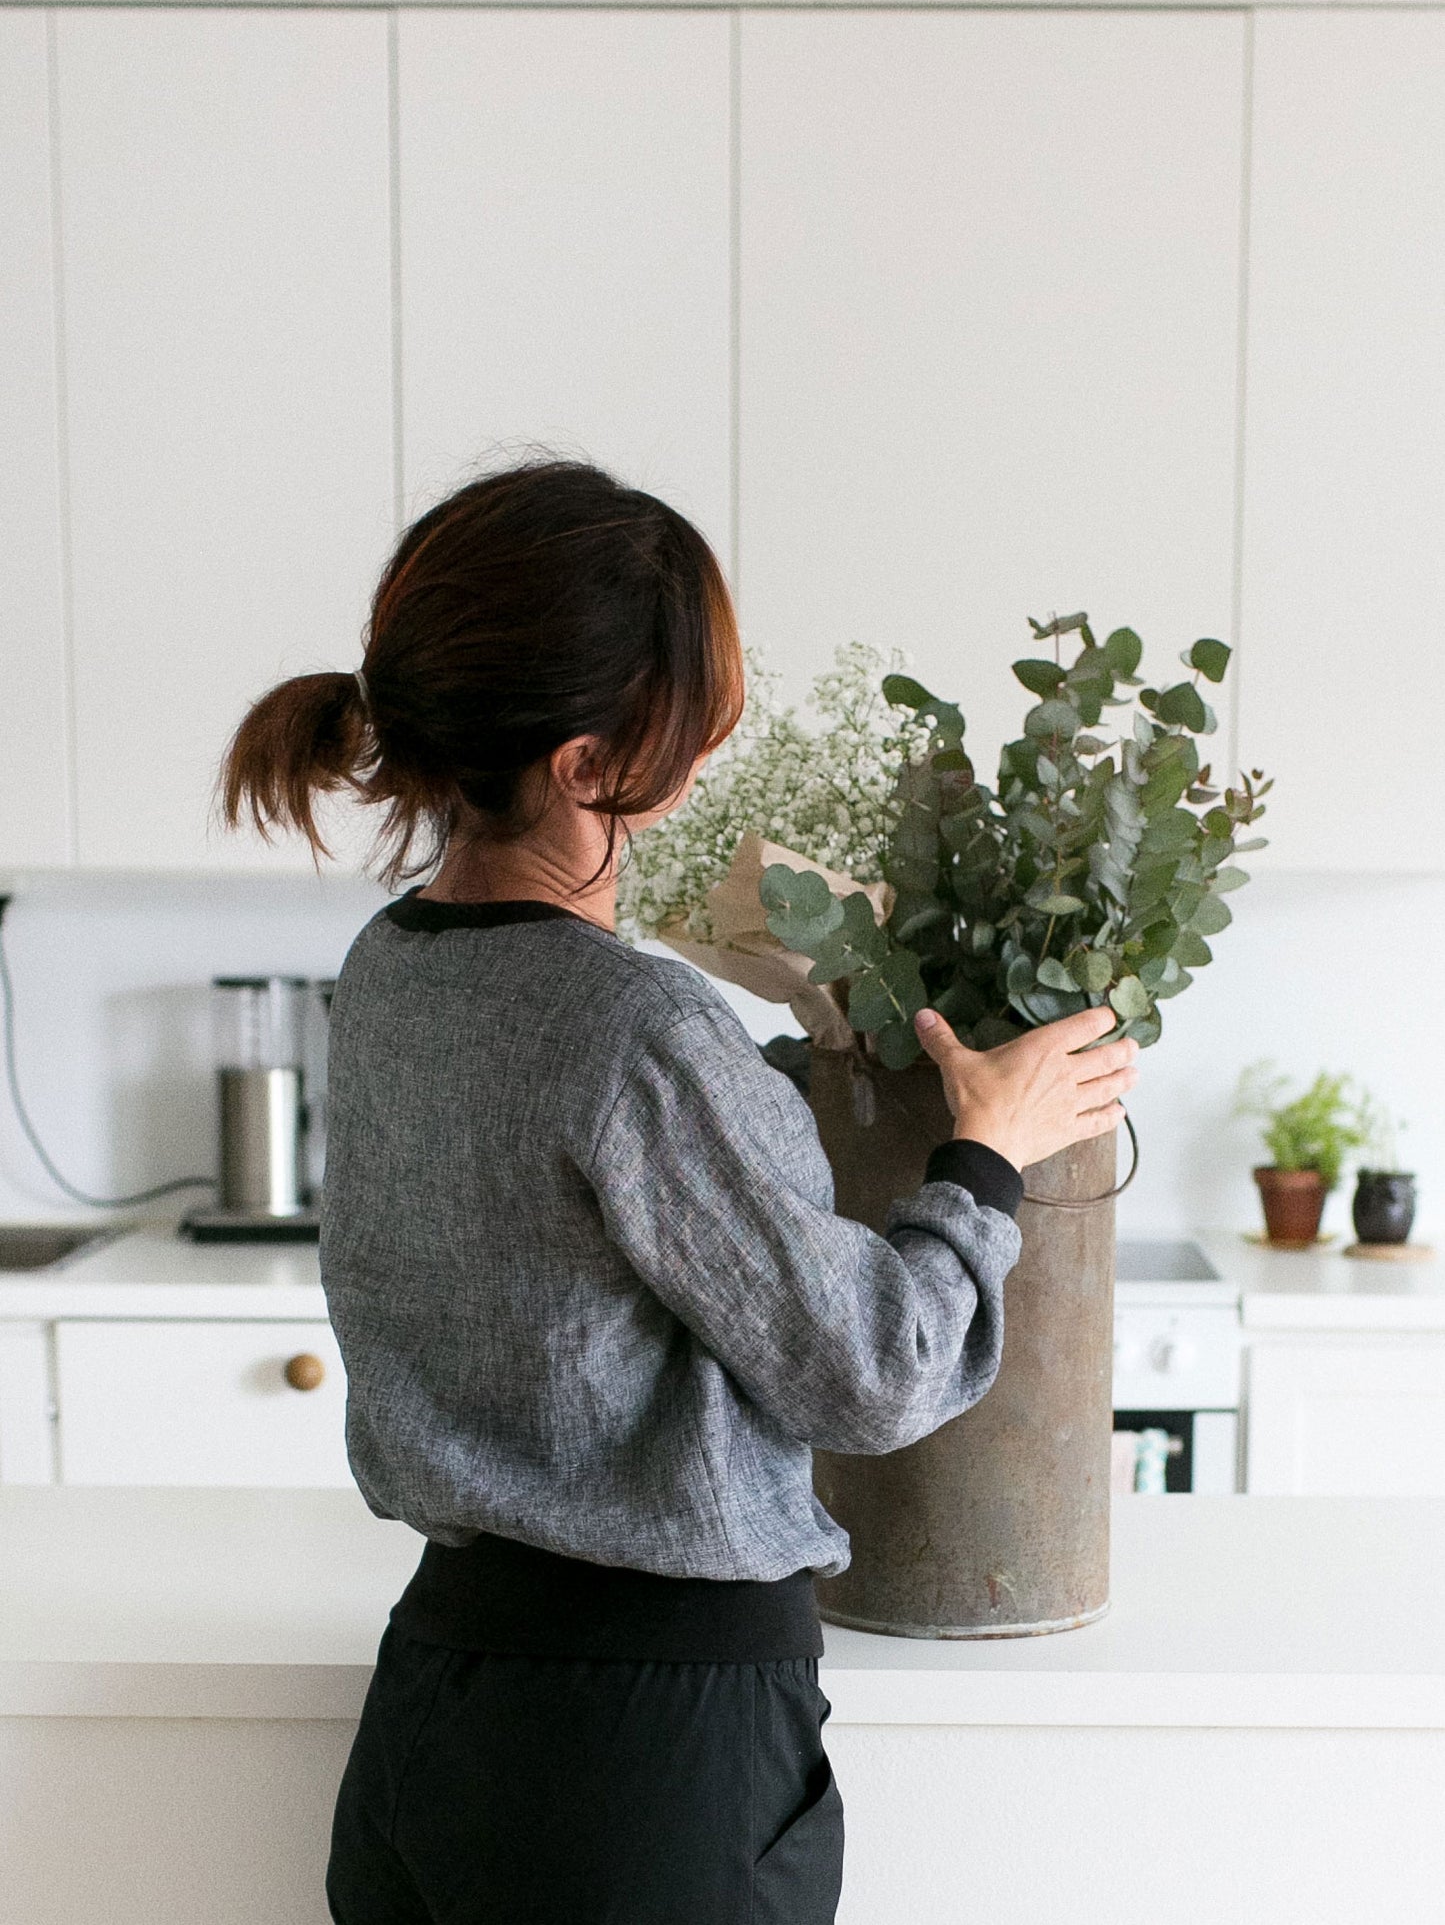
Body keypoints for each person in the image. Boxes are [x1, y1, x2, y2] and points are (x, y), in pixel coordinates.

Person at [220, 457, 1137, 1925]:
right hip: (636, 1764)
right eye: (687, 731)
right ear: (588, 764)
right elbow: (869, 1373)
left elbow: (573, 1179)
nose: (705, 759)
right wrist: (984, 1154)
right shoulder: (634, 1028)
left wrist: (781, 1060)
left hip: (441, 1710)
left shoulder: (388, 974)